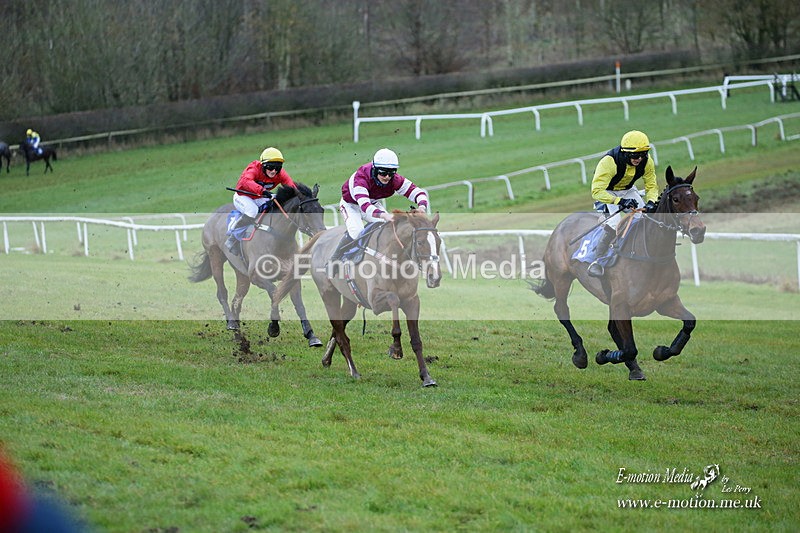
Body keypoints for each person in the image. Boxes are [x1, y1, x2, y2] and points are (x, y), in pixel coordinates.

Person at [330, 148, 429, 262]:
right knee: (357, 232)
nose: (387, 177)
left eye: (391, 173)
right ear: (375, 169)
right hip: (351, 205)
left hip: (372, 203)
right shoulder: (361, 178)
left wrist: (422, 207)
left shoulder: (395, 180)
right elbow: (365, 206)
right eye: (383, 172)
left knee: (388, 230)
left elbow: (417, 192)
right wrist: (384, 215)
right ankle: (334, 258)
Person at [587, 130, 659, 277]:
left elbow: (651, 186)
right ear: (625, 153)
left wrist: (651, 202)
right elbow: (596, 191)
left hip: (628, 190)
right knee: (615, 223)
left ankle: (641, 253)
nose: (639, 159)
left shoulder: (647, 161)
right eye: (634, 155)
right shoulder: (609, 162)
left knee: (645, 219)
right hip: (607, 193)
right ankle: (598, 261)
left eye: (643, 154)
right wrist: (620, 201)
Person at [224, 147, 297, 254]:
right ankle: (233, 236)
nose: (274, 171)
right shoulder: (253, 169)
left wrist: (302, 195)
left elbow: (291, 187)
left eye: (278, 167)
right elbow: (246, 181)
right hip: (243, 196)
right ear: (263, 165)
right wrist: (263, 191)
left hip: (259, 196)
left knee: (275, 204)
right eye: (271, 167)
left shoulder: (280, 173)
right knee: (252, 211)